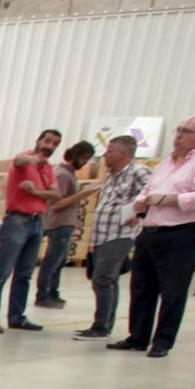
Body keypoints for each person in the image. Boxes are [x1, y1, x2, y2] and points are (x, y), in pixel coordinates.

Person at [107, 115, 195, 358]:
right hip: (150, 231)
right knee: (141, 287)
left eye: (185, 131)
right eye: (177, 130)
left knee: (172, 291)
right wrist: (140, 203)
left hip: (181, 233)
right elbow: (147, 189)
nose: (178, 136)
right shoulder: (166, 162)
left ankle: (162, 341)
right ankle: (137, 337)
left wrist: (168, 200)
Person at [0, 129, 62, 333]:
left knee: (24, 274)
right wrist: (34, 159)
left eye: (55, 144)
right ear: (38, 140)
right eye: (47, 141)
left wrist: (36, 191)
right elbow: (19, 160)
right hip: (17, 221)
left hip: (37, 222)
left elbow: (56, 194)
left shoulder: (48, 168)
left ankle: (17, 317)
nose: (50, 146)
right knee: (2, 273)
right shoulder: (24, 161)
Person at [73, 135, 150, 340]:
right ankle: (105, 325)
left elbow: (152, 192)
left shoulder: (138, 171)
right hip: (102, 235)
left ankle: (100, 326)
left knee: (102, 279)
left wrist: (139, 214)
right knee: (108, 280)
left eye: (110, 151)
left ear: (123, 154)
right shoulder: (111, 174)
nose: (105, 155)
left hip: (119, 234)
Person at [35, 140, 97, 309]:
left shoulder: (69, 174)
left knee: (59, 261)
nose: (85, 163)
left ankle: (52, 292)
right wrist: (82, 195)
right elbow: (56, 203)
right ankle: (43, 295)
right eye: (84, 158)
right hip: (59, 223)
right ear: (76, 155)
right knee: (52, 261)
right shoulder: (63, 175)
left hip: (65, 223)